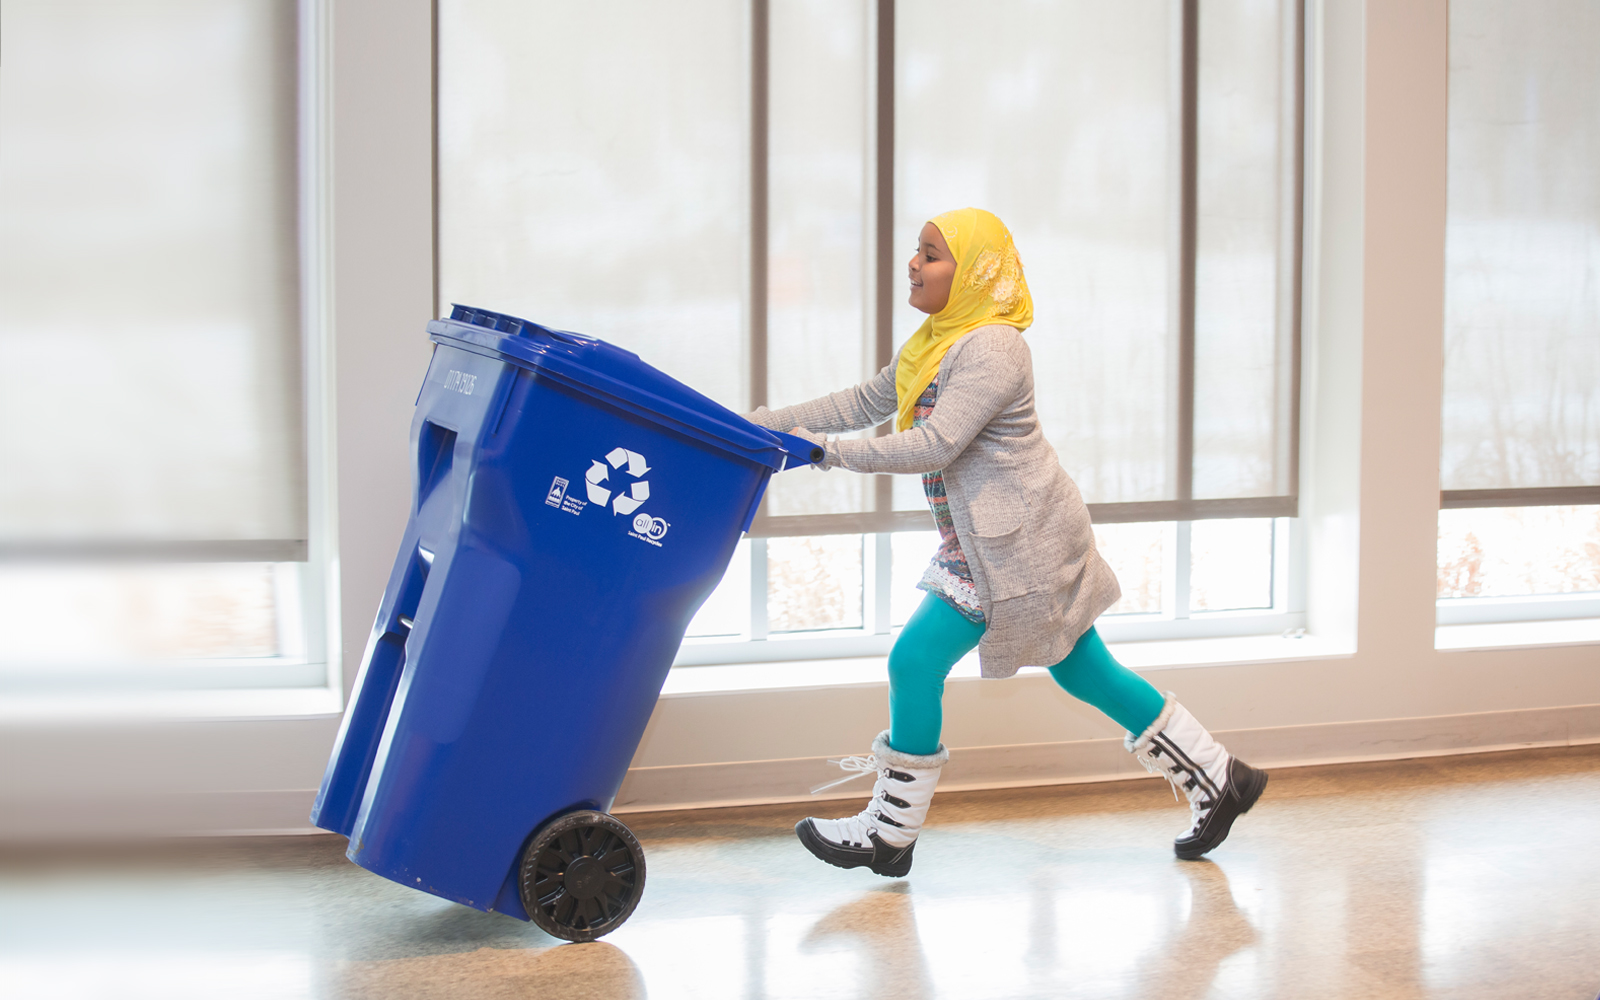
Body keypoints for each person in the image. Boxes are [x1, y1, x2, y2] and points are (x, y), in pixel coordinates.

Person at [748, 208, 1267, 878]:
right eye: (918, 250)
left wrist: (829, 455)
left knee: (913, 662)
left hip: (1017, 547)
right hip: (995, 538)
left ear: (975, 273)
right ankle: (1222, 777)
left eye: (932, 254)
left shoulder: (993, 347)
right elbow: (859, 401)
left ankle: (890, 832)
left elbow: (936, 443)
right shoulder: (937, 341)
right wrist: (760, 425)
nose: (914, 263)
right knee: (1087, 671)